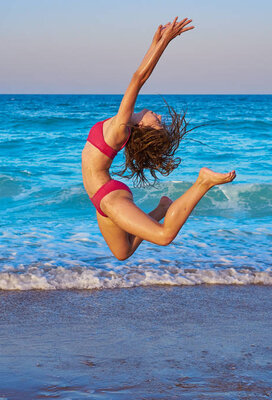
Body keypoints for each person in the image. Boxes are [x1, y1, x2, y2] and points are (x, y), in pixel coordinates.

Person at [81, 17, 236, 260]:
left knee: (164, 236)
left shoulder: (122, 127)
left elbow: (138, 78)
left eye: (159, 124)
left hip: (109, 197)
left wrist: (165, 41)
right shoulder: (126, 124)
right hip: (99, 198)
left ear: (144, 128)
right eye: (161, 121)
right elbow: (138, 75)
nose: (159, 116)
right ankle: (162, 208)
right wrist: (155, 42)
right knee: (123, 252)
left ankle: (203, 182)